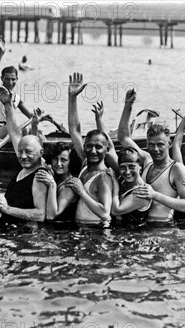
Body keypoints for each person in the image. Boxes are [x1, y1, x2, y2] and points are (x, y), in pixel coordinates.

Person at [117, 89, 185, 223]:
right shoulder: (146, 160)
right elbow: (123, 138)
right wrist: (128, 105)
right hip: (141, 225)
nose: (155, 149)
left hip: (163, 228)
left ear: (169, 144)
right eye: (151, 145)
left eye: (160, 145)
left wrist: (154, 195)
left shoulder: (177, 169)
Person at [0, 87, 48, 223]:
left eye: (28, 152)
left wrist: (7, 209)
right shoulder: (27, 166)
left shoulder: (40, 175)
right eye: (20, 152)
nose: (22, 156)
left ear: (41, 153)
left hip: (26, 234)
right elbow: (15, 134)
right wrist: (7, 105)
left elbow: (40, 214)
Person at [65, 73, 113, 226]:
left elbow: (105, 213)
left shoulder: (104, 177)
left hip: (96, 233)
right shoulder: (86, 163)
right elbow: (74, 130)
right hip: (81, 229)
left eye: (98, 147)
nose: (93, 151)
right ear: (84, 148)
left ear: (106, 150)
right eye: (89, 146)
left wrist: (81, 192)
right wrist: (72, 98)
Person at [0, 36, 33, 139]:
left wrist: (46, 118)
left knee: (33, 130)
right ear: (2, 78)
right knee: (23, 129)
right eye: (7, 79)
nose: (10, 82)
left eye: (13, 79)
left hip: (9, 130)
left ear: (17, 79)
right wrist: (1, 53)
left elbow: (32, 117)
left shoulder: (17, 98)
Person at [36, 142, 79, 223]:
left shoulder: (70, 185)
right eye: (55, 159)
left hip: (63, 231)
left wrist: (52, 184)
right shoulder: (54, 177)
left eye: (63, 160)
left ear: (70, 162)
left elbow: (51, 216)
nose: (59, 164)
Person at [109, 147, 152, 226]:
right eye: (123, 167)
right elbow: (109, 151)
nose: (127, 172)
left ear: (140, 167)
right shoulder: (122, 180)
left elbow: (115, 211)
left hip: (134, 235)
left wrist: (115, 184)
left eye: (132, 167)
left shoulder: (142, 192)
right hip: (119, 231)